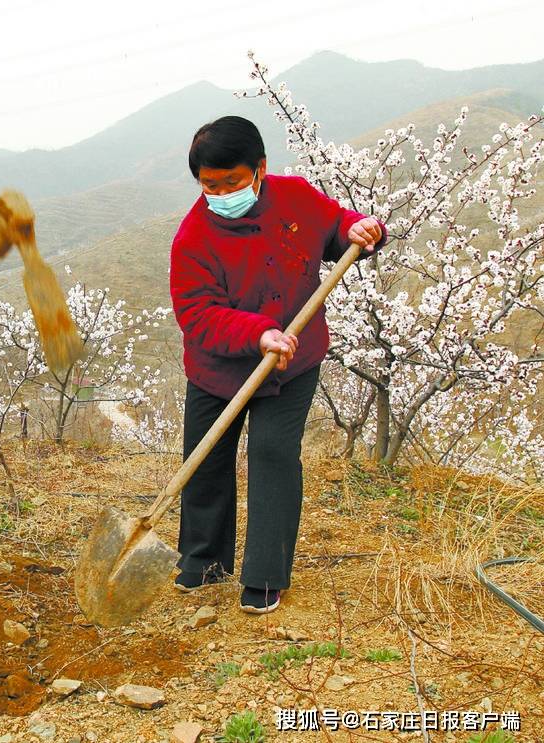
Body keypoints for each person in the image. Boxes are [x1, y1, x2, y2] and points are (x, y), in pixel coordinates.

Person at [169, 116, 386, 614]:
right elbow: (199, 317)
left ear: (260, 169)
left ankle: (266, 574)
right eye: (210, 185)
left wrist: (359, 225)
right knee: (205, 459)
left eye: (232, 182)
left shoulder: (295, 198)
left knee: (271, 454)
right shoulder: (193, 239)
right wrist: (257, 334)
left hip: (293, 360)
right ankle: (204, 561)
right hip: (219, 368)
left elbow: (335, 228)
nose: (222, 192)